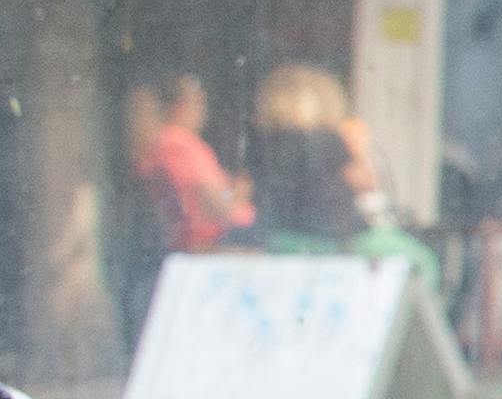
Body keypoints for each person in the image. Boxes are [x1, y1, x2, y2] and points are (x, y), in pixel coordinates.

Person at [124, 72, 253, 258]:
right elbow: (214, 203)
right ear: (180, 106)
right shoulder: (181, 145)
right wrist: (235, 193)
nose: (203, 111)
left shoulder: (161, 144)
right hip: (215, 240)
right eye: (199, 103)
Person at [250, 61, 371, 243]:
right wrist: (360, 151)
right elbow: (364, 183)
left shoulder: (266, 141)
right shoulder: (328, 140)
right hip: (327, 233)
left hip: (278, 232)